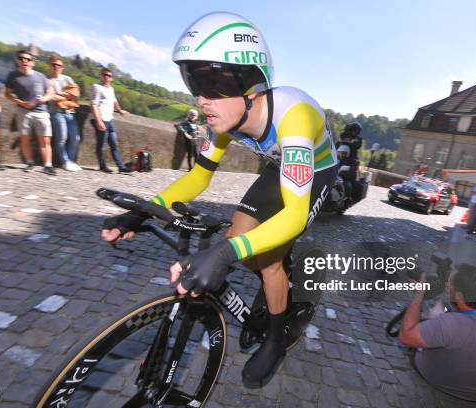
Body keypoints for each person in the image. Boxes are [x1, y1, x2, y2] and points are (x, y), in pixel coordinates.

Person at [101, 12, 338, 388]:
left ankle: (276, 338)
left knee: (268, 257)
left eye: (212, 83)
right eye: (193, 81)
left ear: (252, 86)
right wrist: (145, 211)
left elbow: (294, 214)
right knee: (239, 232)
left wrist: (225, 254)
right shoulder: (225, 119)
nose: (200, 98)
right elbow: (197, 177)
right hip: (279, 167)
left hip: (317, 169)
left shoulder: (294, 118)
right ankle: (276, 281)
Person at [399, 264, 476, 402]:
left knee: (416, 339)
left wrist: (419, 294)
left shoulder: (453, 324)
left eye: (450, 285)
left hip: (441, 381)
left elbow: (405, 336)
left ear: (459, 295)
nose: (447, 287)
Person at [5, 49, 56, 175]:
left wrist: (44, 98)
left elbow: (50, 92)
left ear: (32, 62)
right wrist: (21, 103)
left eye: (28, 59)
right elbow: (7, 94)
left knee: (45, 140)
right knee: (25, 139)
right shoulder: (13, 75)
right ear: (18, 61)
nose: (24, 61)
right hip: (23, 111)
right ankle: (29, 163)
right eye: (21, 58)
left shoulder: (41, 76)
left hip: (41, 111)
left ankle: (48, 165)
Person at [90, 68, 131, 173]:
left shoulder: (111, 89)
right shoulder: (97, 87)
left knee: (114, 144)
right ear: (101, 75)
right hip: (101, 119)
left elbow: (114, 101)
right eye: (104, 75)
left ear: (112, 78)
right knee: (101, 144)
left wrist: (120, 110)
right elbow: (94, 105)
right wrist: (99, 121)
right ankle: (102, 166)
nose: (106, 77)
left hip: (110, 119)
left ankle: (121, 167)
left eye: (109, 76)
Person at [48, 55, 81, 172]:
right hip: (56, 113)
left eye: (59, 65)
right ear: (50, 65)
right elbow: (52, 97)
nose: (56, 67)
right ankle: (65, 162)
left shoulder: (67, 79)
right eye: (54, 65)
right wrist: (66, 95)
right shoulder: (48, 81)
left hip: (69, 113)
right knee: (62, 137)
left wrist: (60, 94)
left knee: (76, 138)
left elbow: (75, 94)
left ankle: (70, 161)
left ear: (62, 67)